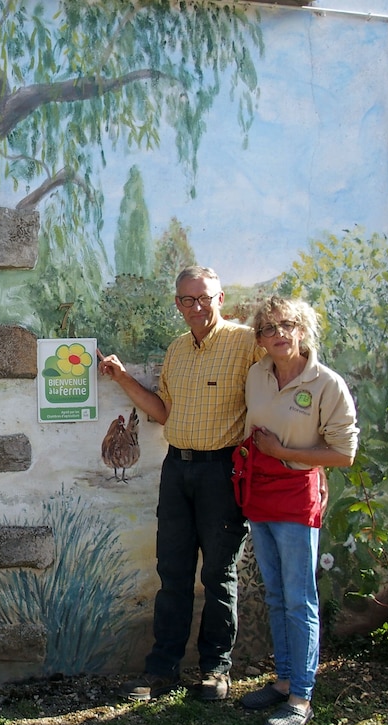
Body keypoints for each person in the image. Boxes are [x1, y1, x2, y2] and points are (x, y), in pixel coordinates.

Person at [98, 265, 264, 702]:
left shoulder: (246, 343)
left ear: (220, 298)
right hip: (177, 469)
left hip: (222, 471)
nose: (197, 306)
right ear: (177, 304)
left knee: (218, 573)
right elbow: (165, 412)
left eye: (205, 297)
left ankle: (215, 671)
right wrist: (122, 378)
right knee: (172, 572)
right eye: (188, 300)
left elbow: (281, 381)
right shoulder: (176, 350)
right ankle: (162, 670)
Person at [237, 295, 357, 725]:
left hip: (296, 494)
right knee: (274, 594)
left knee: (299, 598)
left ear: (302, 329)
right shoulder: (256, 375)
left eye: (287, 324)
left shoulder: (326, 384)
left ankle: (301, 697)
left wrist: (283, 452)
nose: (279, 334)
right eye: (269, 328)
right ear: (260, 339)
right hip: (260, 492)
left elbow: (344, 454)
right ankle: (283, 680)